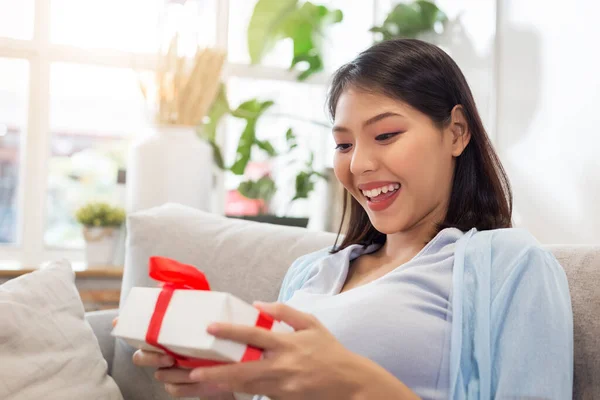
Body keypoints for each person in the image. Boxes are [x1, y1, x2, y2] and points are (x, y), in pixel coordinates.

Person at [130, 39, 573, 399]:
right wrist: (212, 389)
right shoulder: (312, 271)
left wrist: (357, 385)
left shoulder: (509, 265)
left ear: (456, 132)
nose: (358, 164)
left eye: (385, 135)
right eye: (343, 145)